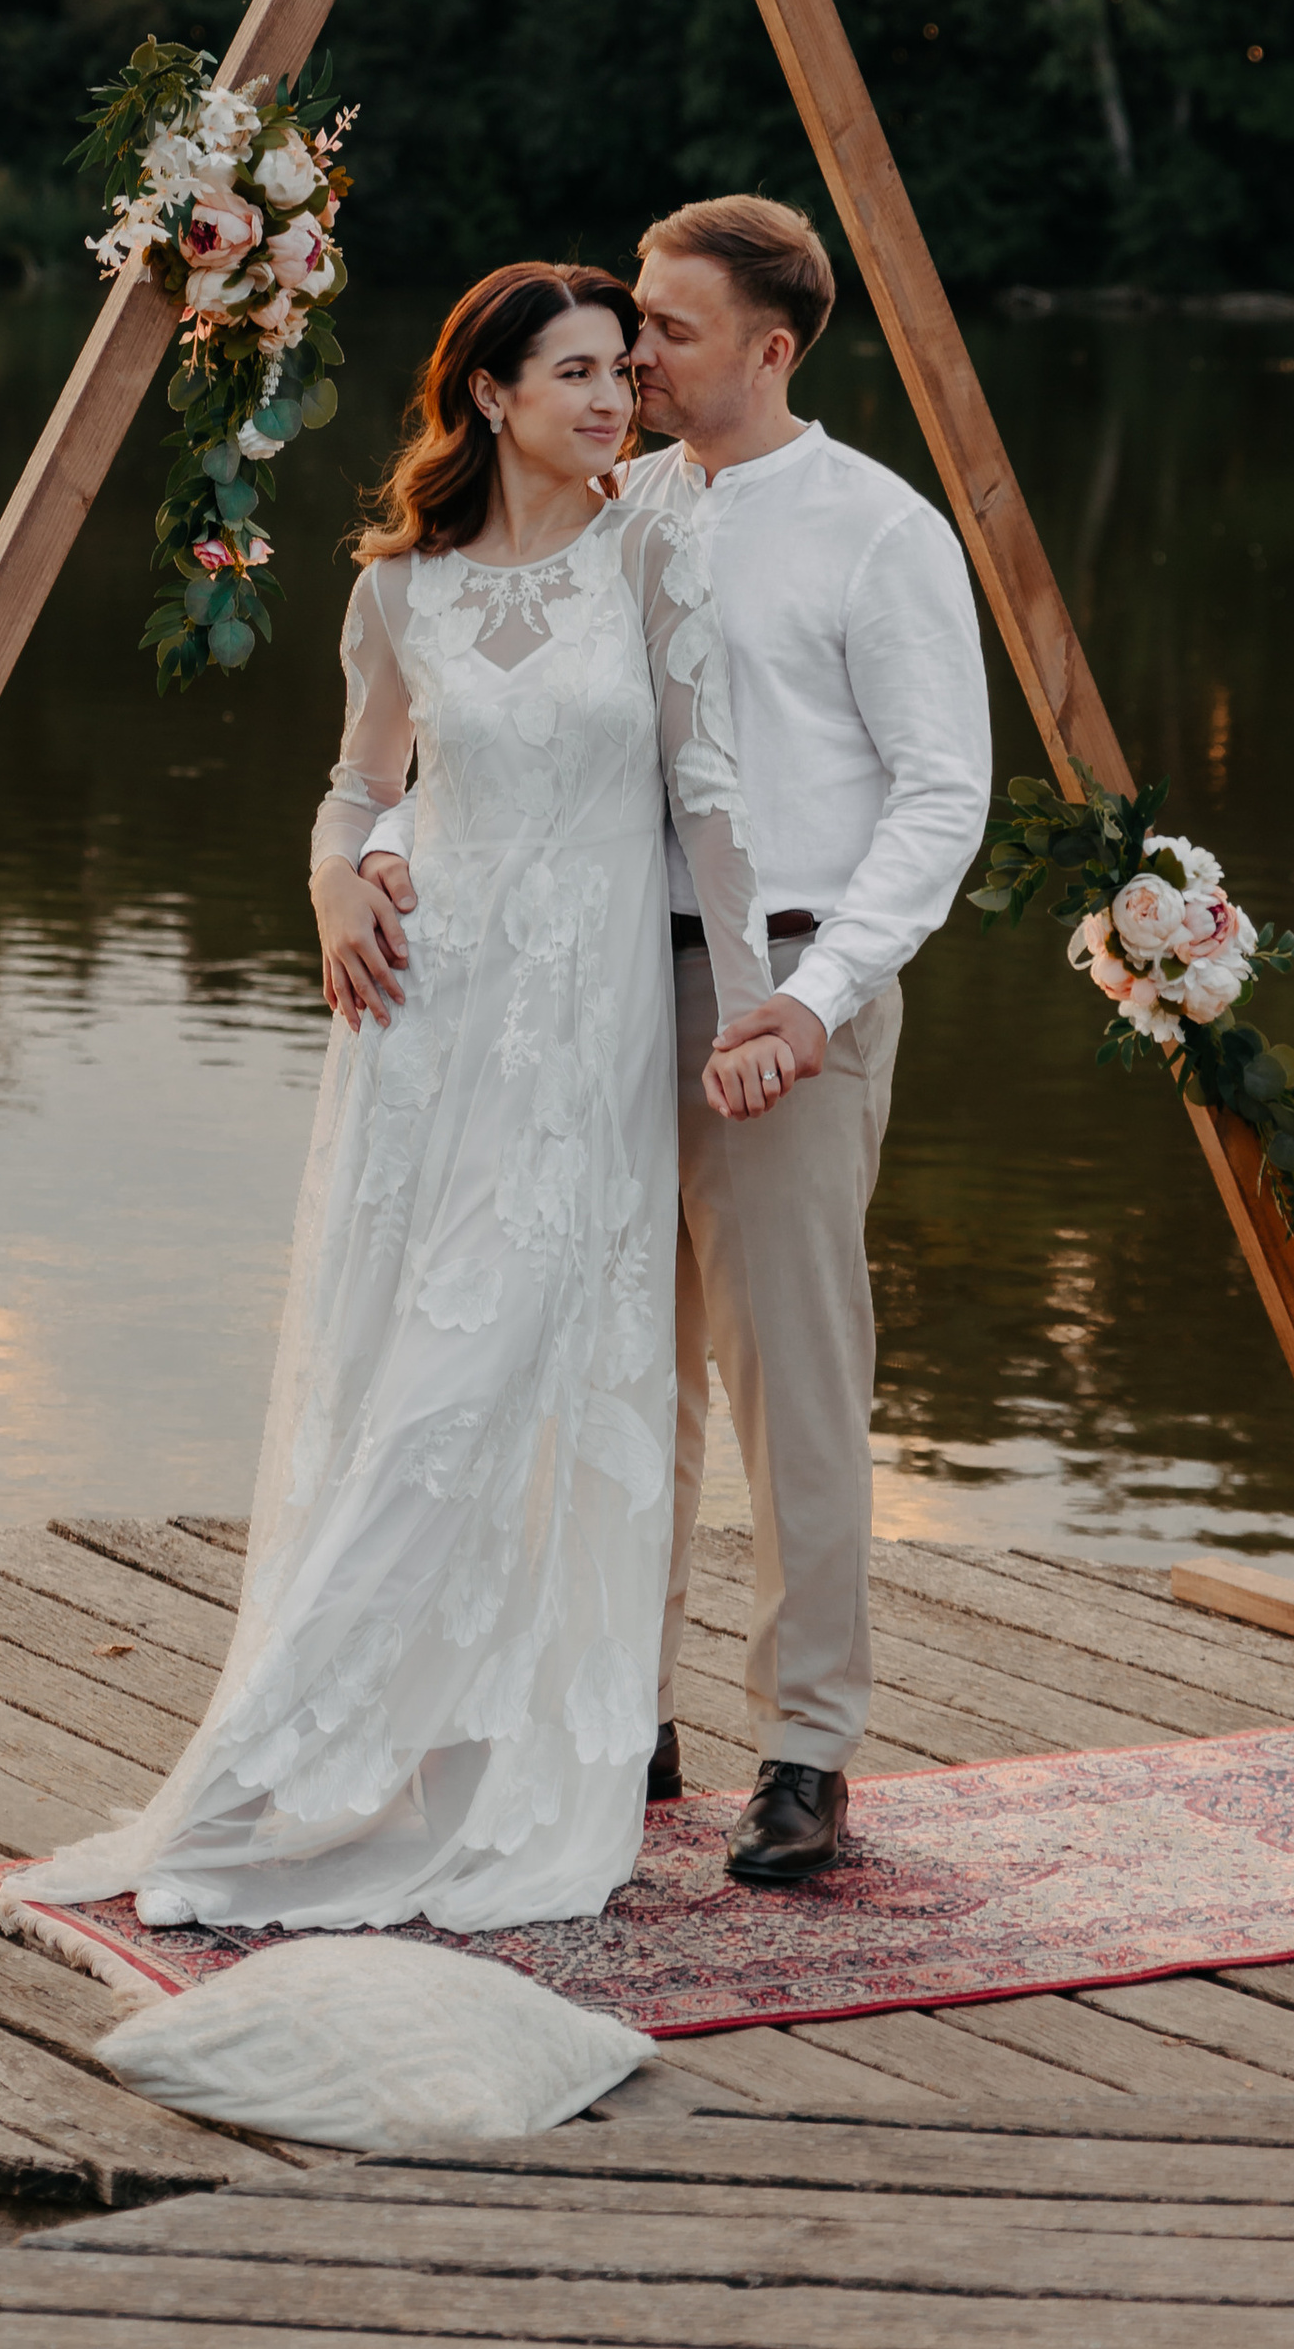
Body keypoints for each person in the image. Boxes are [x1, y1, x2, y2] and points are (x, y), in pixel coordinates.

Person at [5, 262, 781, 1941]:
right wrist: (334, 880)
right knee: (408, 1382)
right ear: (488, 395)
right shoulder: (401, 591)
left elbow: (710, 799)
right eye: (572, 373)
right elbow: (364, 781)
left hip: (588, 1037)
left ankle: (444, 1747)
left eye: (616, 375)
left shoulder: (656, 552)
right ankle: (317, 1750)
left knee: (514, 1379)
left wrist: (763, 996)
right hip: (427, 1027)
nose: (608, 400)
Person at [335, 198, 991, 1882]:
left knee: (792, 1372)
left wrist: (815, 998)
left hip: (787, 985)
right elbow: (504, 753)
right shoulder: (610, 509)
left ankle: (806, 1747)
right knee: (618, 1358)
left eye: (672, 330)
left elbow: (942, 799)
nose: (634, 354)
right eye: (628, 327)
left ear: (772, 349)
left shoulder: (876, 531)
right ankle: (623, 1708)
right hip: (601, 987)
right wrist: (382, 863)